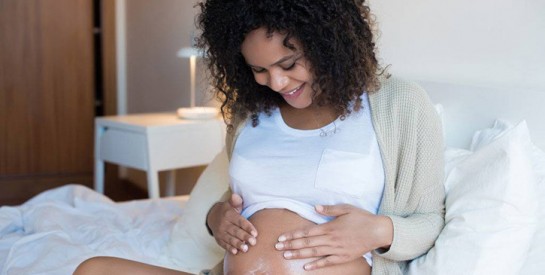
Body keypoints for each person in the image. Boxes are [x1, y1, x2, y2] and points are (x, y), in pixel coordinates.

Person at [74, 0, 445, 274]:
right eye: (259, 70)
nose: (278, 83)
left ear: (329, 44)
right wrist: (216, 217)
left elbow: (429, 221)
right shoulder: (249, 112)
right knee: (93, 270)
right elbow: (240, 199)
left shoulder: (399, 104)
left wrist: (378, 230)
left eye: (288, 64)